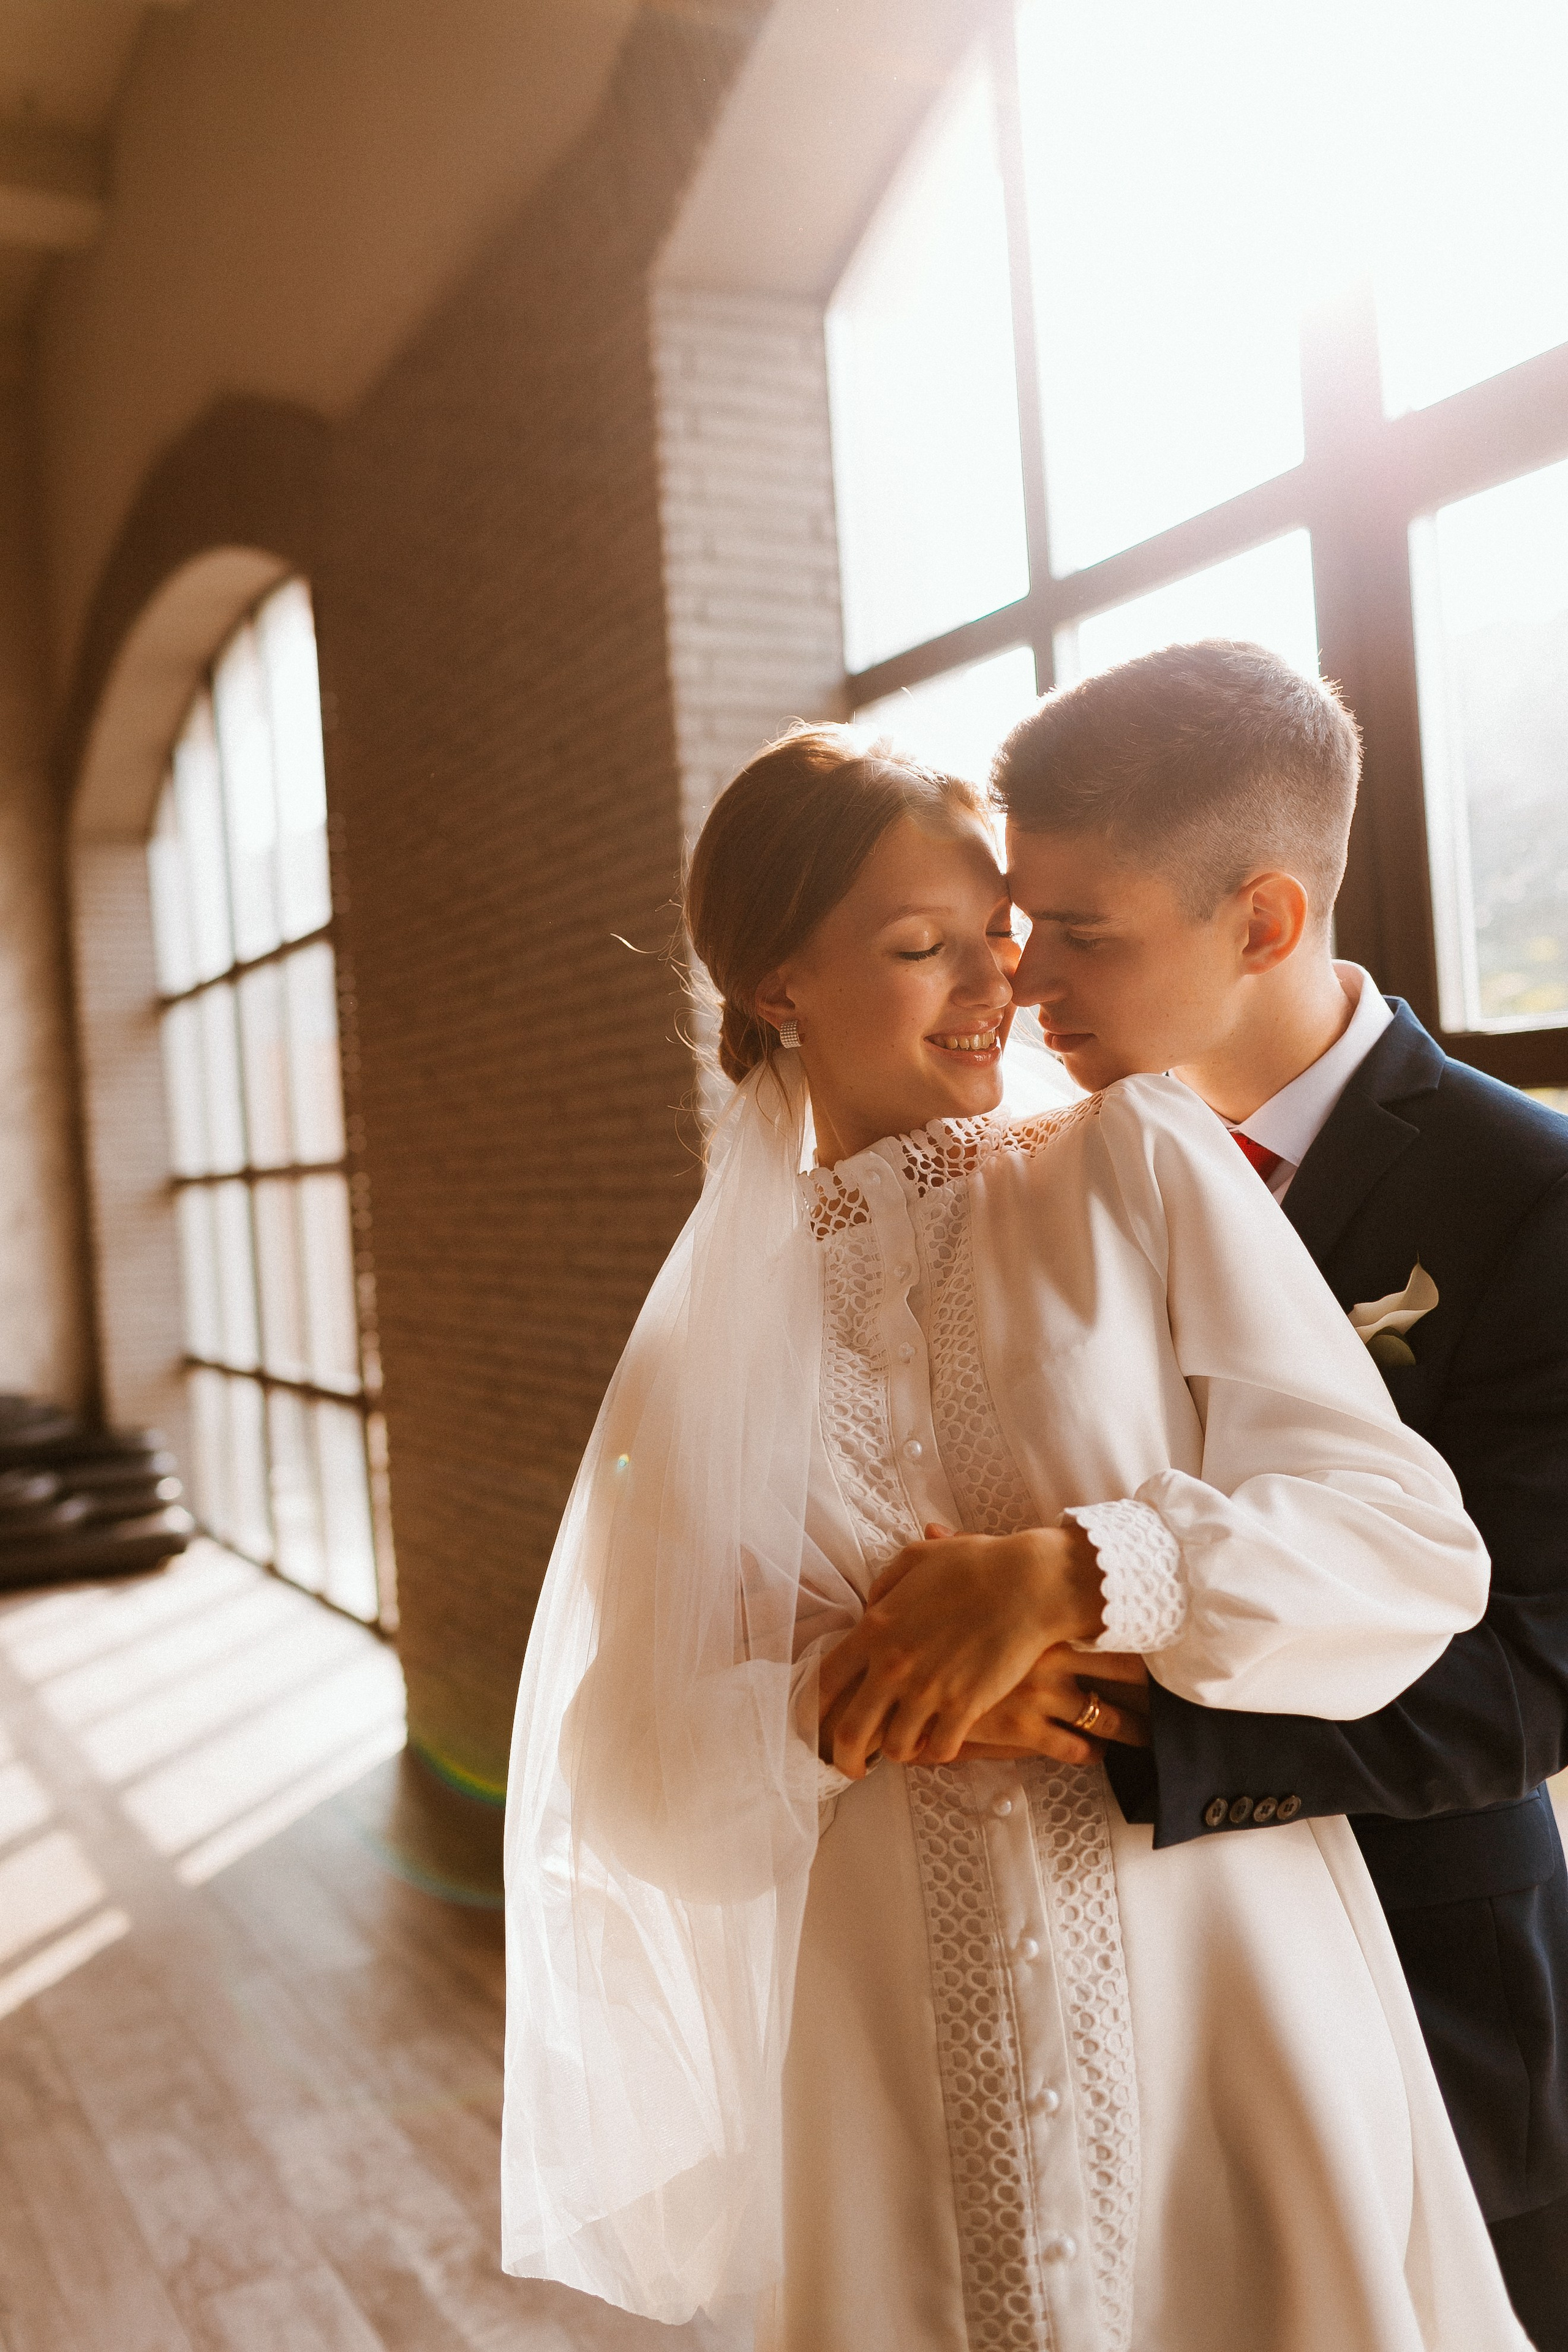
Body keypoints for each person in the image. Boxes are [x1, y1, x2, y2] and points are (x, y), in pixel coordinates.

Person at [500, 723, 1524, 2351]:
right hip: (888, 2056)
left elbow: (1403, 1546)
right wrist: (851, 1704)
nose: (998, 987)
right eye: (924, 948)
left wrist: (1086, 1572)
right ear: (777, 984)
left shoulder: (1139, 1162)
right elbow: (630, 1777)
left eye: (1002, 935)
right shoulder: (703, 1353)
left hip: (1225, 2001)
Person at [980, 639, 1568, 2350]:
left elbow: (1535, 1670)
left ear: (1264, 920)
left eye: (1083, 932)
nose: (1028, 983)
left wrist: (1119, 1724)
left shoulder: (1529, 1197)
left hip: (1435, 1995)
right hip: (1125, 1997)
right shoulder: (1048, 1183)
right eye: (1020, 927)